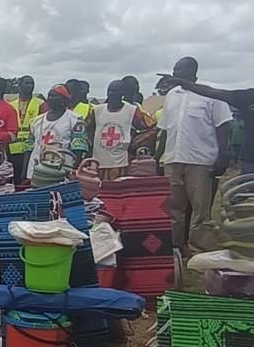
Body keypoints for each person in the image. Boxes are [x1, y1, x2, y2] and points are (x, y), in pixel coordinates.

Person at [155, 57, 233, 253]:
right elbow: (165, 129)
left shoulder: (210, 95)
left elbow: (223, 126)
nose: (176, 73)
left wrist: (223, 155)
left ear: (193, 73)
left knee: (200, 209)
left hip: (201, 160)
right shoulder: (172, 95)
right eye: (174, 70)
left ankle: (198, 247)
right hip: (173, 159)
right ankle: (175, 247)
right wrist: (158, 157)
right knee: (174, 207)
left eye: (180, 70)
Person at [155, 73, 254, 175]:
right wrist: (181, 82)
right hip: (250, 162)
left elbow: (223, 125)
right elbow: (211, 92)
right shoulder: (248, 97)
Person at [87, 80, 153, 180]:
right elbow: (87, 129)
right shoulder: (96, 111)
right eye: (109, 90)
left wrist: (135, 142)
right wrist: (92, 143)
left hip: (121, 163)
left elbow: (152, 128)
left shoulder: (132, 111)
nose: (111, 93)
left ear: (122, 93)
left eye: (115, 91)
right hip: (98, 162)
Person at [25, 84, 87, 179]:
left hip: (61, 171)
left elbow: (79, 147)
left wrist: (73, 170)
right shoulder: (36, 121)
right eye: (49, 96)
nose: (51, 98)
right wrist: (24, 170)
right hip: (36, 170)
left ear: (64, 99)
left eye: (55, 96)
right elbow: (29, 147)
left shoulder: (75, 120)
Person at [8, 75, 47, 183]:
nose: (30, 86)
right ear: (19, 86)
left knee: (27, 179)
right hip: (13, 150)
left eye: (32, 83)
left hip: (31, 150)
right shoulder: (11, 105)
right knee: (14, 179)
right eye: (27, 83)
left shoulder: (41, 104)